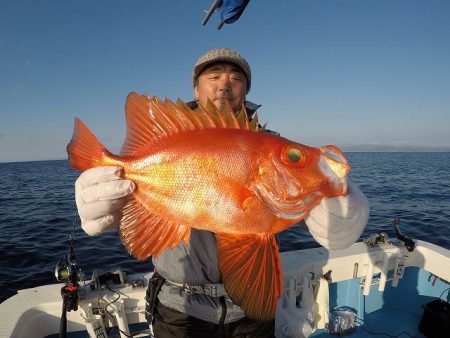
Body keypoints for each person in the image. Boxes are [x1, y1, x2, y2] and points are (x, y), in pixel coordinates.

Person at [74, 48, 369, 337]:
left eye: (235, 78)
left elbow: (311, 200)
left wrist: (341, 208)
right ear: (196, 87)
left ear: (246, 89)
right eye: (213, 76)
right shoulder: (174, 134)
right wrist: (115, 204)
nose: (224, 84)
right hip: (179, 308)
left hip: (249, 317)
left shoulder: (269, 143)